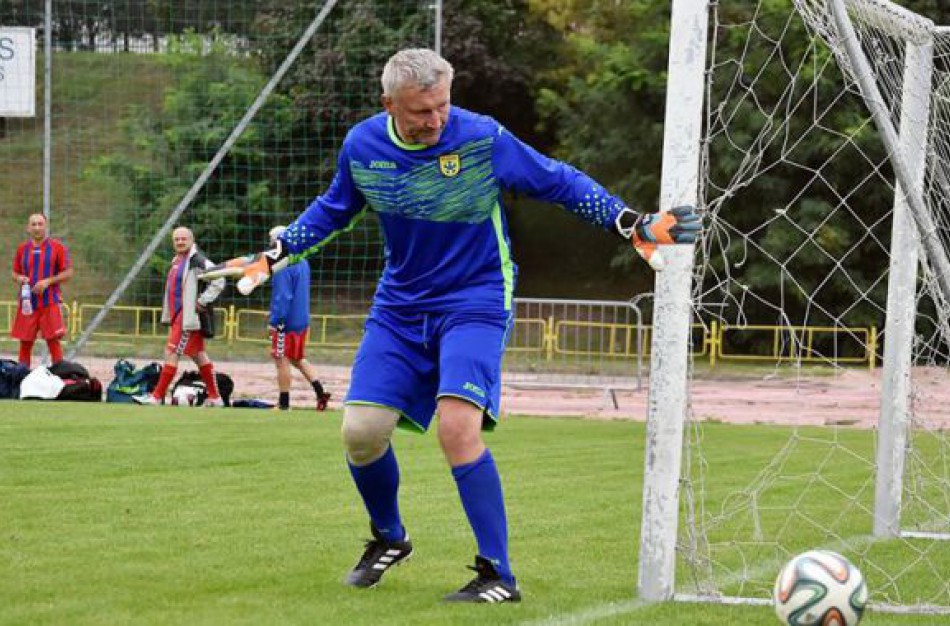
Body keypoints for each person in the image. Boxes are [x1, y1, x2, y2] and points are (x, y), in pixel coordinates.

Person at [200, 48, 699, 602]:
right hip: (400, 306)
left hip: (476, 299)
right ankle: (389, 538)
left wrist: (626, 222)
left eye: (441, 106)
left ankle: (498, 574)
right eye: (420, 112)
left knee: (456, 428)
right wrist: (276, 252)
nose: (435, 120)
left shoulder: (482, 138)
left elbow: (555, 180)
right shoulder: (363, 146)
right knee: (360, 434)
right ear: (388, 103)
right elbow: (334, 209)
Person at [134, 227, 226, 407]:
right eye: (177, 239)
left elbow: (219, 279)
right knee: (198, 355)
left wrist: (203, 301)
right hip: (178, 316)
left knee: (171, 352)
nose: (180, 242)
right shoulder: (177, 261)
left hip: (188, 317)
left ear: (191, 240)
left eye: (184, 239)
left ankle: (156, 396)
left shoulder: (198, 260)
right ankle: (215, 398)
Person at [266, 225, 332, 412]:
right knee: (298, 358)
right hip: (301, 319)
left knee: (281, 359)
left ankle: (284, 403)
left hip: (285, 322)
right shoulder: (302, 261)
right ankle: (321, 392)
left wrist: (275, 320)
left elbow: (283, 295)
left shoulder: (282, 263)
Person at [10, 213, 74, 367]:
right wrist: (19, 279)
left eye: (40, 224)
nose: (37, 228)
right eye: (33, 224)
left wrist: (48, 281)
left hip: (50, 301)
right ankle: (22, 377)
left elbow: (68, 272)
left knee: (53, 341)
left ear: (45, 227)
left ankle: (60, 377)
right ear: (28, 228)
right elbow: (14, 272)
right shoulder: (21, 250)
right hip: (28, 303)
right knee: (25, 342)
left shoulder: (57, 248)